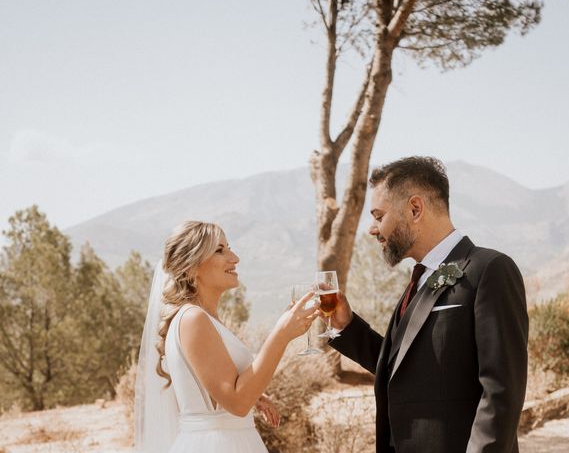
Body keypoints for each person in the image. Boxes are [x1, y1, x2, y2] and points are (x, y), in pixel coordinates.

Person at [326, 156, 528, 453]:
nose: (372, 229)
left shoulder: (489, 270)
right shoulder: (419, 279)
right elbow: (406, 367)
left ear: (415, 208)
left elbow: (501, 393)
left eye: (379, 216)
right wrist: (347, 327)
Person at [134, 221, 318, 453]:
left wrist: (254, 394)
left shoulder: (205, 319)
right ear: (191, 268)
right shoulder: (193, 319)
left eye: (228, 247)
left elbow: (226, 391)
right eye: (220, 250)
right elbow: (237, 403)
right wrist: (281, 334)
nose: (235, 257)